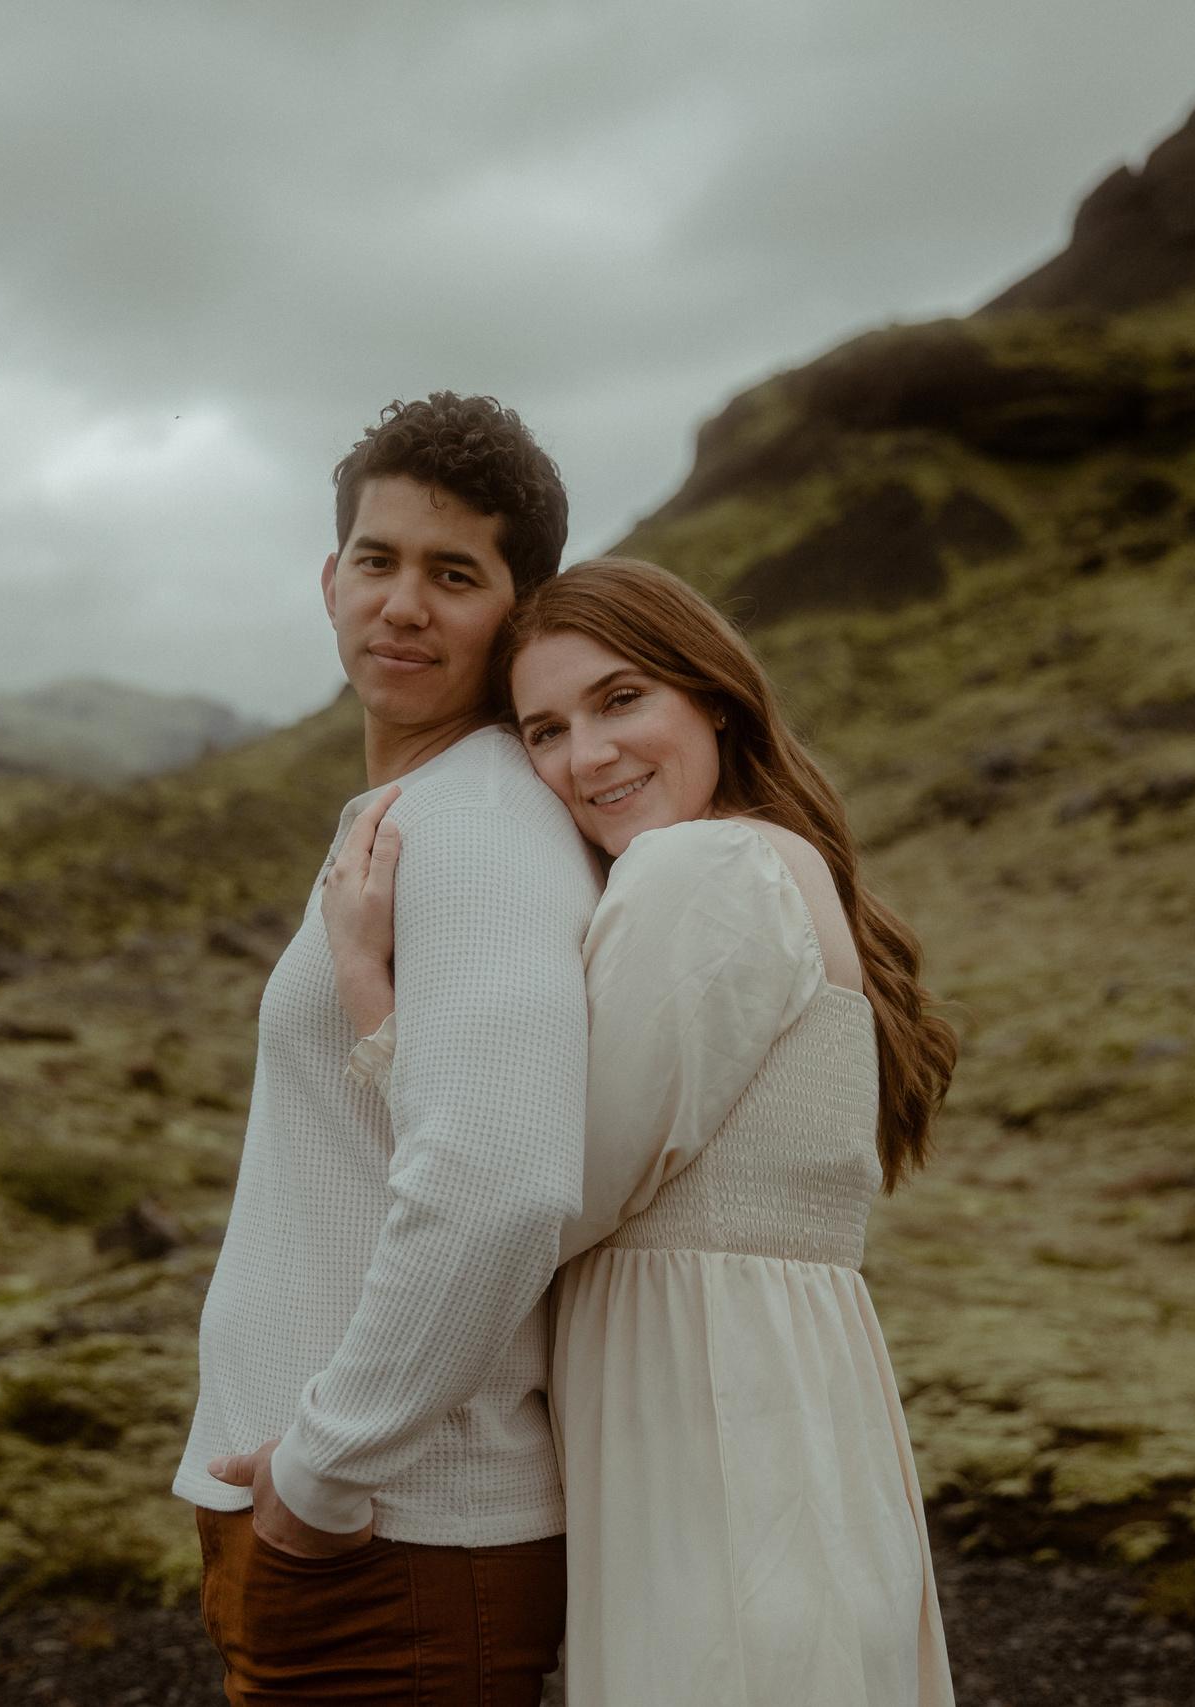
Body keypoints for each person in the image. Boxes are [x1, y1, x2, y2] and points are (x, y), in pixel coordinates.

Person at [323, 557, 961, 1706]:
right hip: (789, 1431)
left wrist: (373, 1001)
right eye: (546, 730)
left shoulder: (700, 867)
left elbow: (548, 1179)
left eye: (621, 701)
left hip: (714, 1449)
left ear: (712, 694)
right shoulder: (778, 863)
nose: (589, 756)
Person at [174, 393, 597, 1703]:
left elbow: (502, 1181)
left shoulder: (473, 828)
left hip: (392, 1541)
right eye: (379, 559)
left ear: (515, 610)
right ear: (330, 578)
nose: (404, 602)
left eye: (454, 572)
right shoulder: (417, 813)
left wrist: (321, 1472)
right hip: (354, 1528)